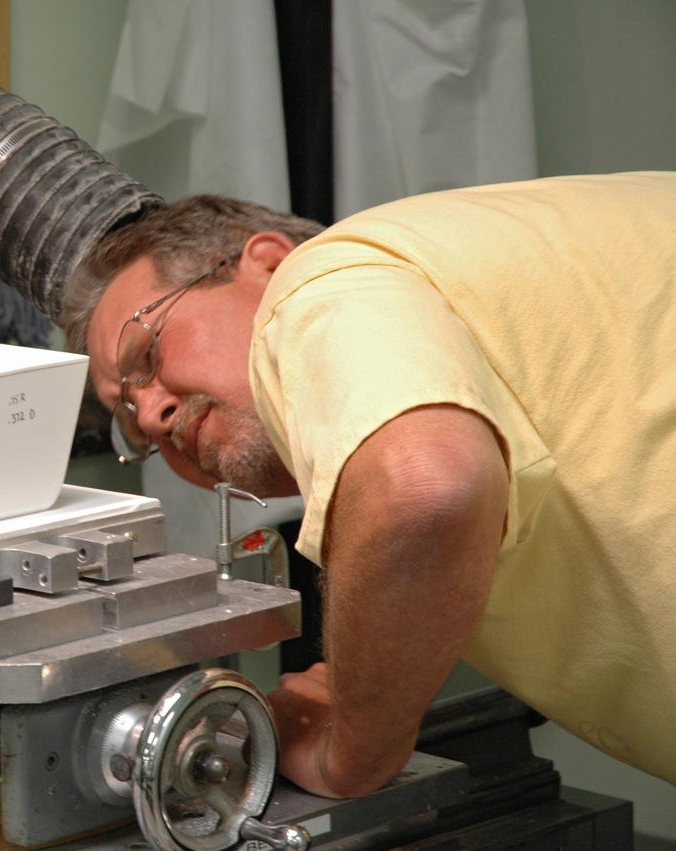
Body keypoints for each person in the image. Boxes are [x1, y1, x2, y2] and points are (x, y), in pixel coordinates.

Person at [60, 172, 676, 796]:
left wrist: (350, 749)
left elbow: (422, 489)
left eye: (145, 356)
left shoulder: (321, 277)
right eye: (128, 421)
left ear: (266, 262)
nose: (150, 414)